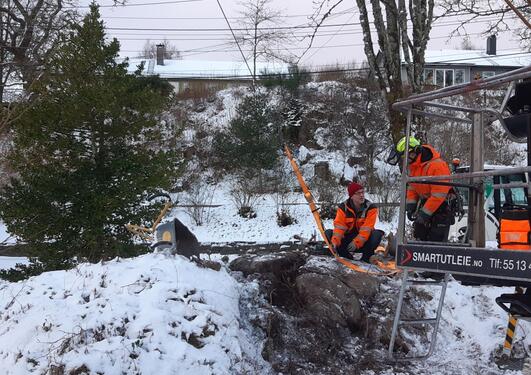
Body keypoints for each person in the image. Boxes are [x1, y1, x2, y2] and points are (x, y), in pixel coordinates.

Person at [395, 136, 454, 242]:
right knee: (419, 235)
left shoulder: (437, 166)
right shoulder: (413, 166)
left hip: (441, 206)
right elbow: (413, 187)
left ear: (415, 152)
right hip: (426, 204)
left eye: (406, 156)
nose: (405, 160)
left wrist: (424, 214)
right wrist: (411, 205)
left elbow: (439, 195)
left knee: (435, 241)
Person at [325, 182, 383, 262]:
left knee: (377, 234)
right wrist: (335, 242)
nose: (362, 195)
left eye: (363, 192)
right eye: (358, 193)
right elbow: (339, 227)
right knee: (328, 233)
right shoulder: (343, 207)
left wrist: (356, 243)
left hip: (364, 240)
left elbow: (366, 230)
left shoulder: (371, 208)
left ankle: (366, 258)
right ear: (351, 196)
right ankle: (345, 256)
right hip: (348, 238)